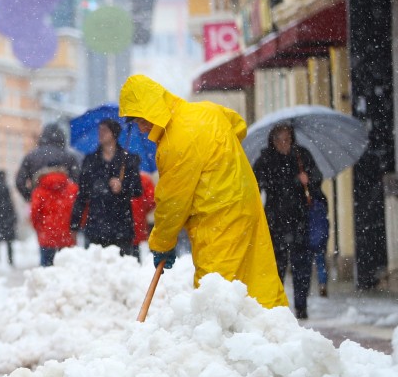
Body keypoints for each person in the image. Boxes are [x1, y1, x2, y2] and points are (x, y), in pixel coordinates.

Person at [118, 74, 287, 310]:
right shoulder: (207, 111)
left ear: (154, 109)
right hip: (245, 200)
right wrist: (217, 159)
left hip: (218, 216)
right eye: (135, 121)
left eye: (141, 118)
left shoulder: (175, 143)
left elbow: (172, 203)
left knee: (215, 291)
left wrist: (162, 244)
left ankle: (226, 343)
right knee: (256, 277)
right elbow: (238, 125)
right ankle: (272, 332)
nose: (141, 126)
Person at [252, 123, 323, 319]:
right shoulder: (265, 160)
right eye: (279, 140)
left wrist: (308, 179)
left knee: (302, 265)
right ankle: (277, 306)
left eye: (287, 139)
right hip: (275, 220)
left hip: (300, 218)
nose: (284, 144)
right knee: (277, 266)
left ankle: (301, 307)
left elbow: (317, 178)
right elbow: (254, 186)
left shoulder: (302, 156)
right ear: (272, 141)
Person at [70, 119, 142, 258]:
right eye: (100, 130)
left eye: (105, 130)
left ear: (114, 134)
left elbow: (137, 190)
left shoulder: (128, 160)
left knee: (122, 269)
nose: (100, 133)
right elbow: (82, 194)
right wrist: (74, 224)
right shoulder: (90, 160)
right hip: (96, 226)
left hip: (121, 226)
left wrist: (123, 187)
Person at [14, 123, 82, 202]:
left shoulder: (31, 156)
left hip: (40, 203)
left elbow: (20, 182)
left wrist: (31, 196)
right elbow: (78, 180)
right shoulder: (69, 156)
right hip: (63, 205)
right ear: (62, 136)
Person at [30, 169, 79, 267]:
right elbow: (81, 209)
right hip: (68, 235)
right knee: (68, 269)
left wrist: (39, 228)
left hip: (47, 235)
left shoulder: (39, 190)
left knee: (46, 270)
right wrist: (76, 227)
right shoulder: (73, 189)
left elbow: (34, 212)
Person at [309, 188, 330, 298]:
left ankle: (305, 289)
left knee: (306, 264)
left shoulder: (305, 197)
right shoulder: (322, 199)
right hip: (320, 238)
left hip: (308, 236)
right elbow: (325, 221)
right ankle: (322, 283)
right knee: (320, 262)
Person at [131, 172, 157, 261]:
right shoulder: (143, 178)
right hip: (139, 221)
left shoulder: (118, 178)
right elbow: (151, 200)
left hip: (127, 226)